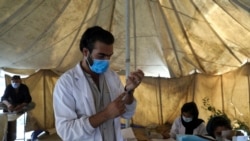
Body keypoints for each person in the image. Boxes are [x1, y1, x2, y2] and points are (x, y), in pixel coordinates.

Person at [53, 26, 144, 141]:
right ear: (86, 52)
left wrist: (129, 91)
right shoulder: (66, 83)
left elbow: (127, 113)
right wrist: (105, 114)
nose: (106, 60)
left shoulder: (112, 76)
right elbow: (66, 131)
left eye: (109, 56)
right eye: (101, 56)